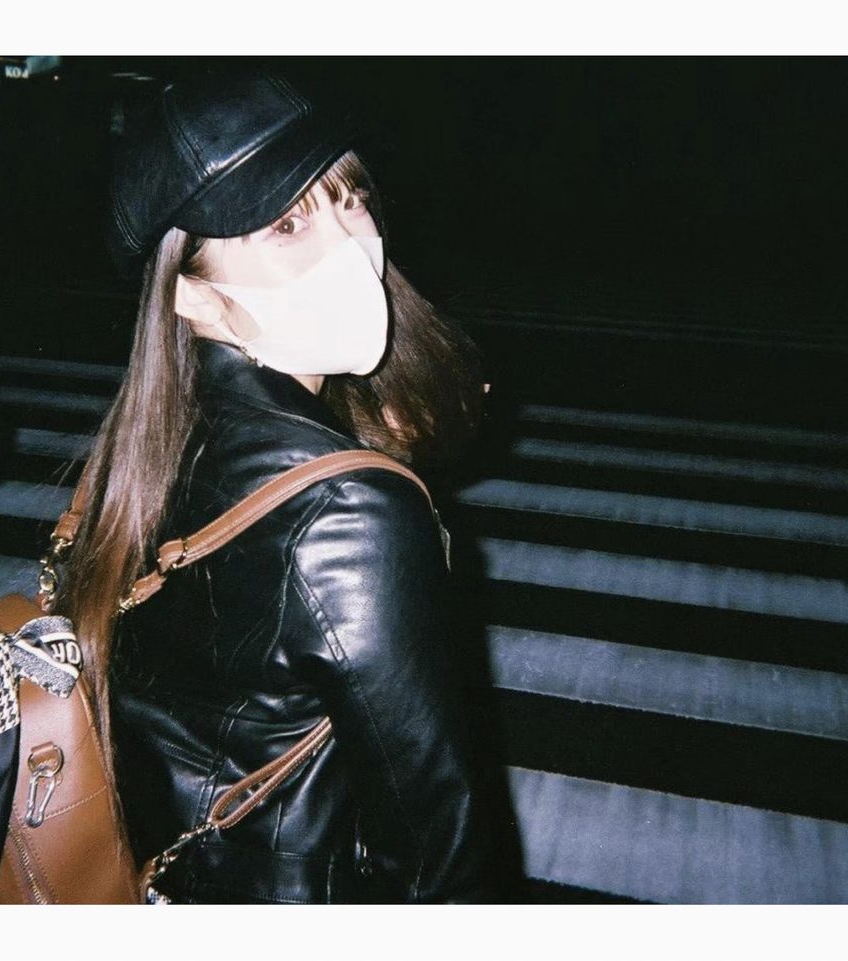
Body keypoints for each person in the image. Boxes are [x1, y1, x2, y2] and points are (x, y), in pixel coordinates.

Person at [55, 70, 518, 903]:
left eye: (351, 201)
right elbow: (442, 864)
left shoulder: (145, 444)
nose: (350, 246)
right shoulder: (348, 512)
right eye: (287, 225)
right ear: (194, 295)